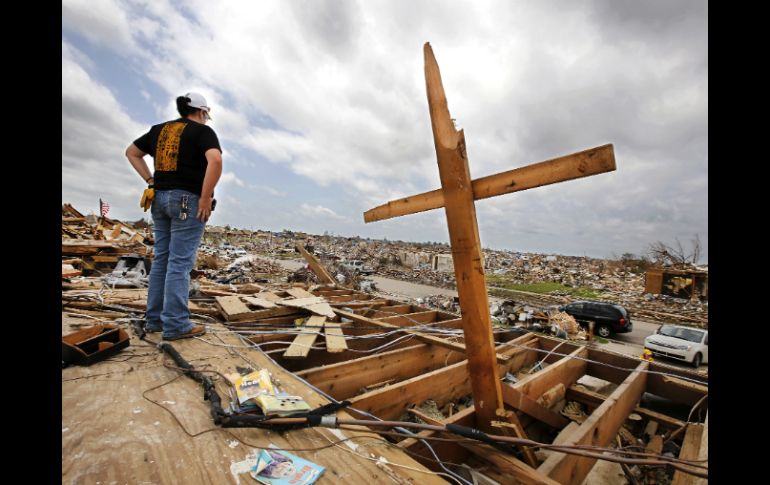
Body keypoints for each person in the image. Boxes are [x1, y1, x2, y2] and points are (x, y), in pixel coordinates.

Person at [125, 92, 223, 340]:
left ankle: (155, 320)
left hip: (159, 198)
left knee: (162, 261)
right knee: (179, 263)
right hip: (187, 201)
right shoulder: (202, 132)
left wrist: (150, 179)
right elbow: (216, 161)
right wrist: (204, 197)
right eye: (206, 114)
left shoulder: (159, 130)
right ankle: (177, 325)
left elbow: (131, 152)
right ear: (201, 112)